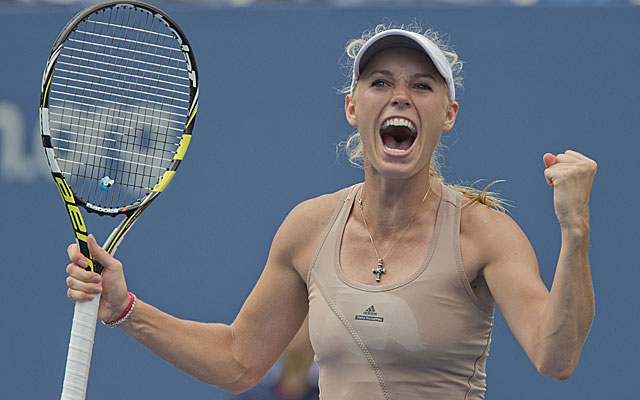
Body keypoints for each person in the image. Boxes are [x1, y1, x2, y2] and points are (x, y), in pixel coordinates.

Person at [65, 23, 597, 399]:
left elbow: (557, 358)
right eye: (380, 82)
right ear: (352, 106)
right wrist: (126, 309)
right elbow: (239, 362)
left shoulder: (484, 234)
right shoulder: (309, 227)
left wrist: (575, 232)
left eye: (422, 86)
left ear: (449, 114)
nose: (400, 97)